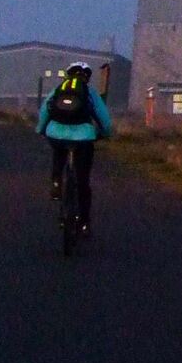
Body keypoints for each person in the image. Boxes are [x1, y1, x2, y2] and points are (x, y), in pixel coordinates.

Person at [36, 61, 113, 235]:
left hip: (57, 132)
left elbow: (45, 111)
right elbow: (104, 119)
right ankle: (84, 222)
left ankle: (56, 181)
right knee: (83, 179)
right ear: (87, 77)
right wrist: (105, 134)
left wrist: (41, 129)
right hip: (83, 137)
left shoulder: (59, 89)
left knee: (59, 151)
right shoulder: (90, 92)